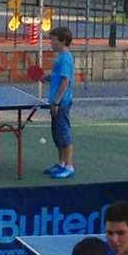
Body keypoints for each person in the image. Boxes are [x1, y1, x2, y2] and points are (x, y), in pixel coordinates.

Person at [44, 27, 75, 179]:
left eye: (53, 40)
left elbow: (65, 81)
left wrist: (56, 102)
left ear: (62, 41)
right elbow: (58, 78)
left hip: (61, 103)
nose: (51, 42)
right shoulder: (60, 57)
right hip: (56, 102)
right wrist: (48, 78)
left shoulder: (65, 59)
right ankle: (61, 163)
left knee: (64, 134)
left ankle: (69, 166)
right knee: (57, 134)